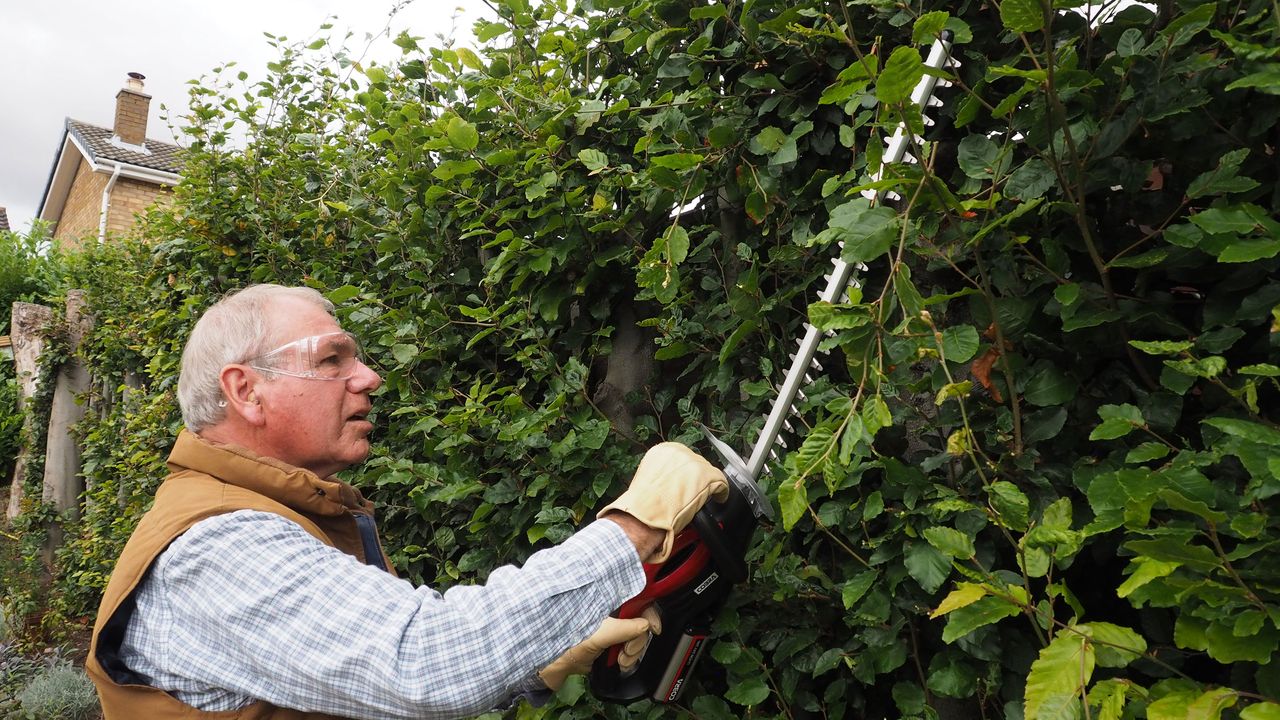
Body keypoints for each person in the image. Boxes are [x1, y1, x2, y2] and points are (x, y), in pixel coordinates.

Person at [85, 284, 729, 720]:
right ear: (247, 391)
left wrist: (541, 665)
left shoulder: (288, 513)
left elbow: (360, 692)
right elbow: (422, 661)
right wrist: (636, 525)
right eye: (333, 359)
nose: (369, 377)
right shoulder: (221, 546)